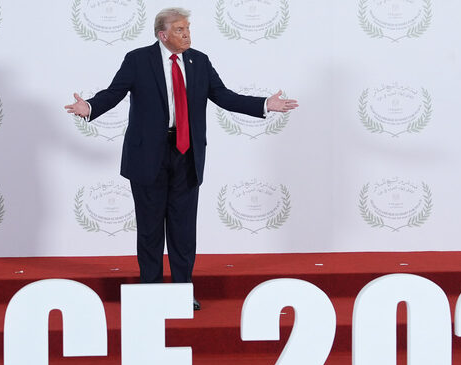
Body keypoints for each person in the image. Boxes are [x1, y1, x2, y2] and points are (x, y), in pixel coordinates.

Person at [65, 7, 298, 310]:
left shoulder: (199, 61)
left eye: (188, 29)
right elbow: (114, 93)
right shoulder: (138, 60)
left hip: (186, 153)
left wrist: (265, 104)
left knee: (183, 229)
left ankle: (182, 290)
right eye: (179, 30)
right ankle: (150, 291)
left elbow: (224, 96)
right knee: (150, 229)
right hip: (147, 156)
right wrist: (90, 108)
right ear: (162, 35)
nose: (187, 34)